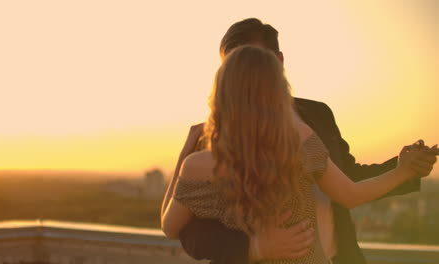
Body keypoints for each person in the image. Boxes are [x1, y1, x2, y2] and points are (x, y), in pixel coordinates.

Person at [161, 18, 438, 264]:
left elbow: (349, 177)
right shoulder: (213, 141)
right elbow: (191, 233)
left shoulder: (317, 116)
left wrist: (405, 171)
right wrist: (255, 247)